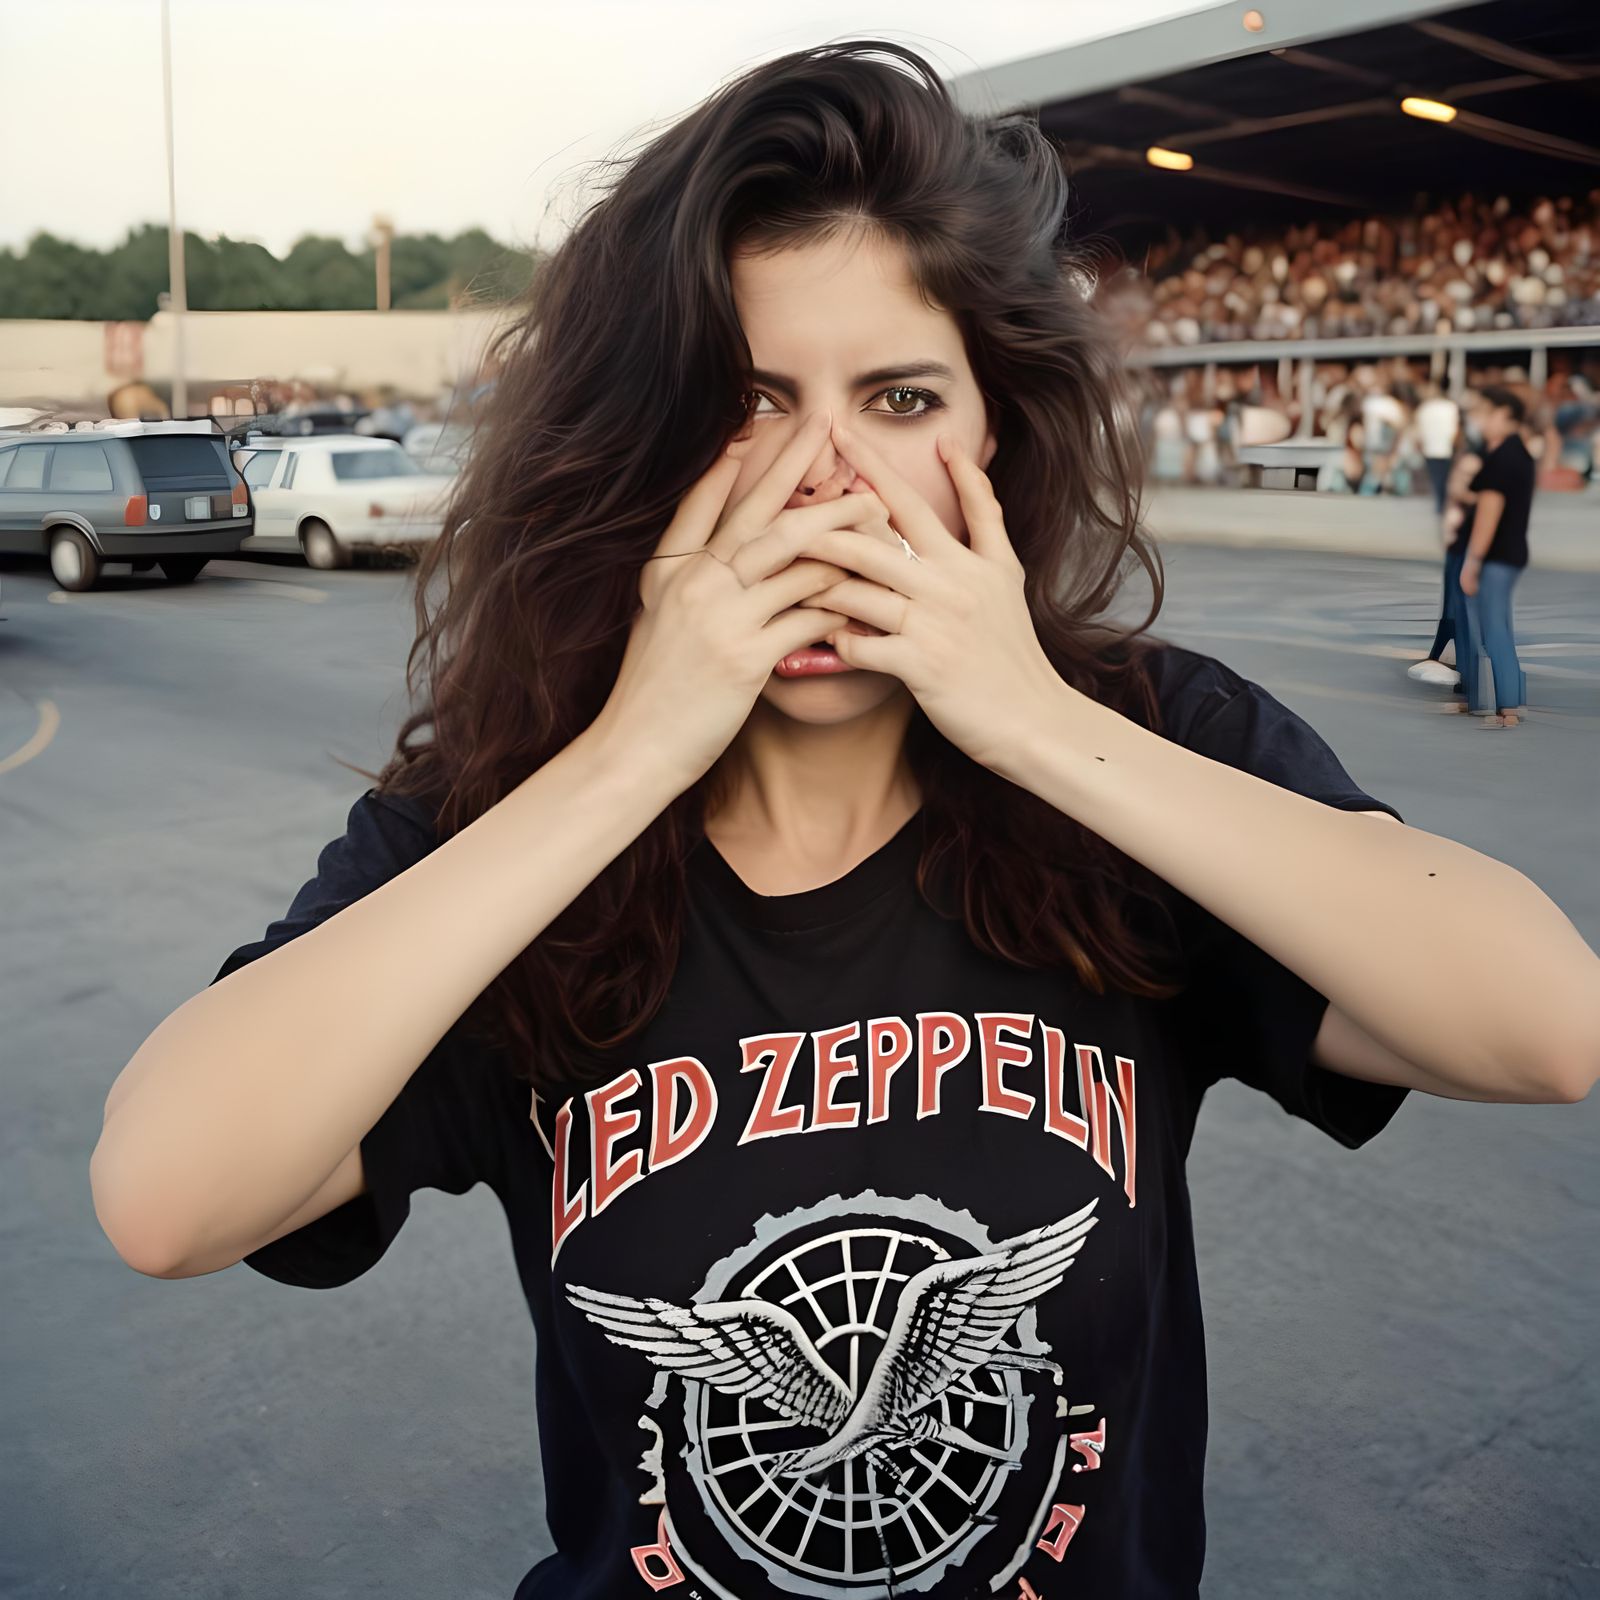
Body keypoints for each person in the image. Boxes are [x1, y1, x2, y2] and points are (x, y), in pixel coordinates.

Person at [88, 43, 1600, 1600]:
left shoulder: (1141, 752)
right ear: (650, 439)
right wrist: (631, 758)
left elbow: (1547, 1027)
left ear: (992, 432)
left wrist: (1028, 719)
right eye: (747, 404)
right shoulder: (509, 826)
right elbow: (167, 1198)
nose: (825, 485)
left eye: (898, 399)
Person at [1452, 386, 1537, 727]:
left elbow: (1489, 513)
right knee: (1502, 627)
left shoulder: (1501, 460)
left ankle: (1507, 708)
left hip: (1496, 556)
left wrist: (1472, 563)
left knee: (1493, 630)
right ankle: (1513, 700)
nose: (1479, 422)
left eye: (1484, 414)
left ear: (1503, 414)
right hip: (1513, 553)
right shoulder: (1520, 455)